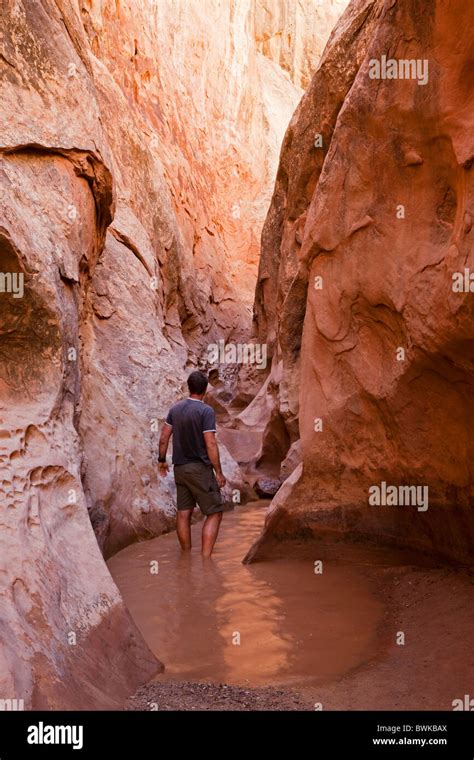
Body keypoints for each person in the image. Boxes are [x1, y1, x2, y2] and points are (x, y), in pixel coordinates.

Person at [158, 370, 226, 557]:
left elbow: (164, 437)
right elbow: (210, 442)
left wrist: (162, 460)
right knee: (214, 512)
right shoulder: (206, 411)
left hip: (180, 469)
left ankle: (186, 557)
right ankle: (205, 560)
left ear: (189, 388)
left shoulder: (175, 410)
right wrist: (218, 472)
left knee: (183, 513)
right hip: (199, 469)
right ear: (205, 390)